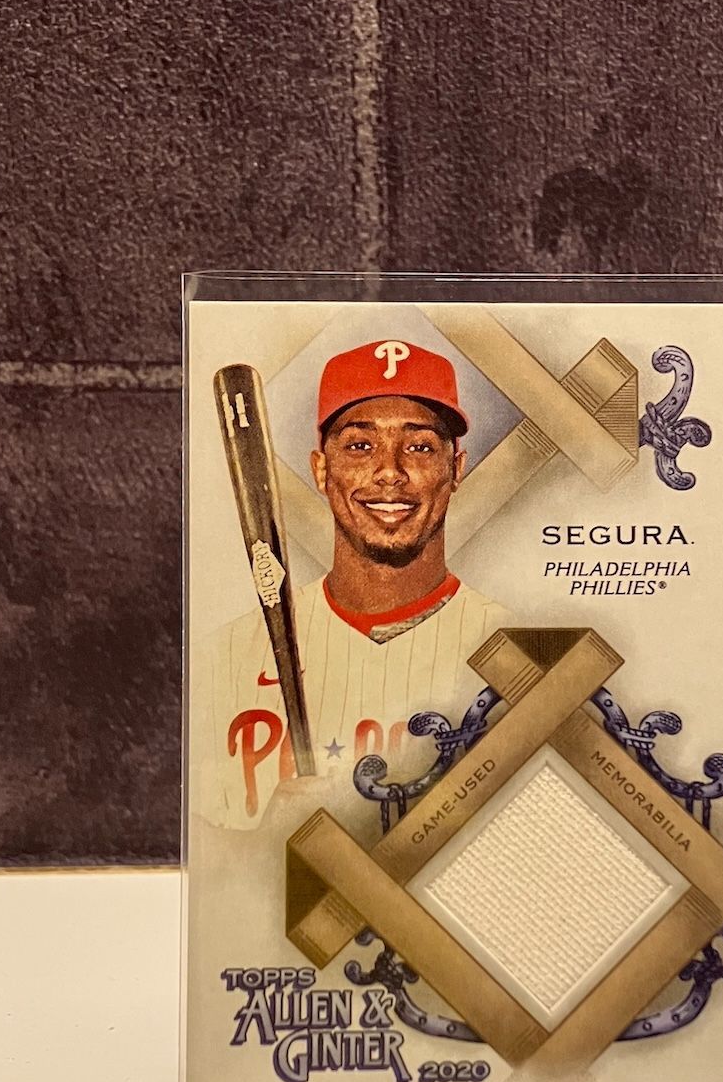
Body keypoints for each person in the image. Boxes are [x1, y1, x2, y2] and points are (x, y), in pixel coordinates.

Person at [195, 339, 508, 829]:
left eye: (420, 446)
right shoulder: (223, 662)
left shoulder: (513, 655)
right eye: (361, 446)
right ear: (322, 470)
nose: (389, 472)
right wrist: (262, 847)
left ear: (456, 468)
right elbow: (188, 857)